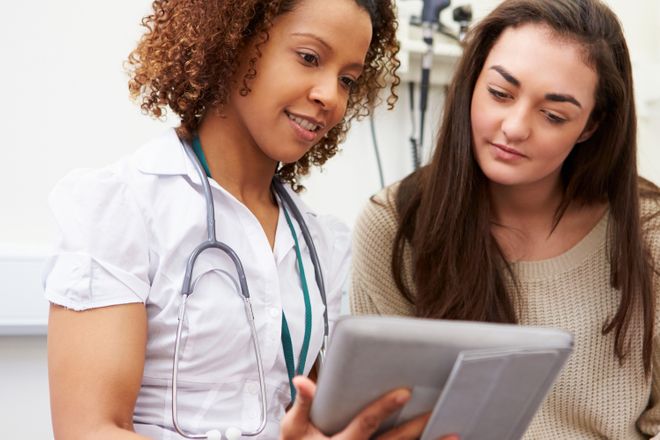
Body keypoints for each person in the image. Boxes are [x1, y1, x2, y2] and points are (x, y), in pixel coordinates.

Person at [43, 0, 438, 438]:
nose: (330, 95)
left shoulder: (319, 243)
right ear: (232, 40)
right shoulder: (123, 207)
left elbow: (309, 418)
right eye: (309, 58)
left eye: (347, 79)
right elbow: (89, 430)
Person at [350, 0, 660, 438]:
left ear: (591, 126)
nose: (515, 127)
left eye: (553, 115)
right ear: (474, 80)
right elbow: (378, 419)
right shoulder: (395, 225)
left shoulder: (649, 230)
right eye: (500, 93)